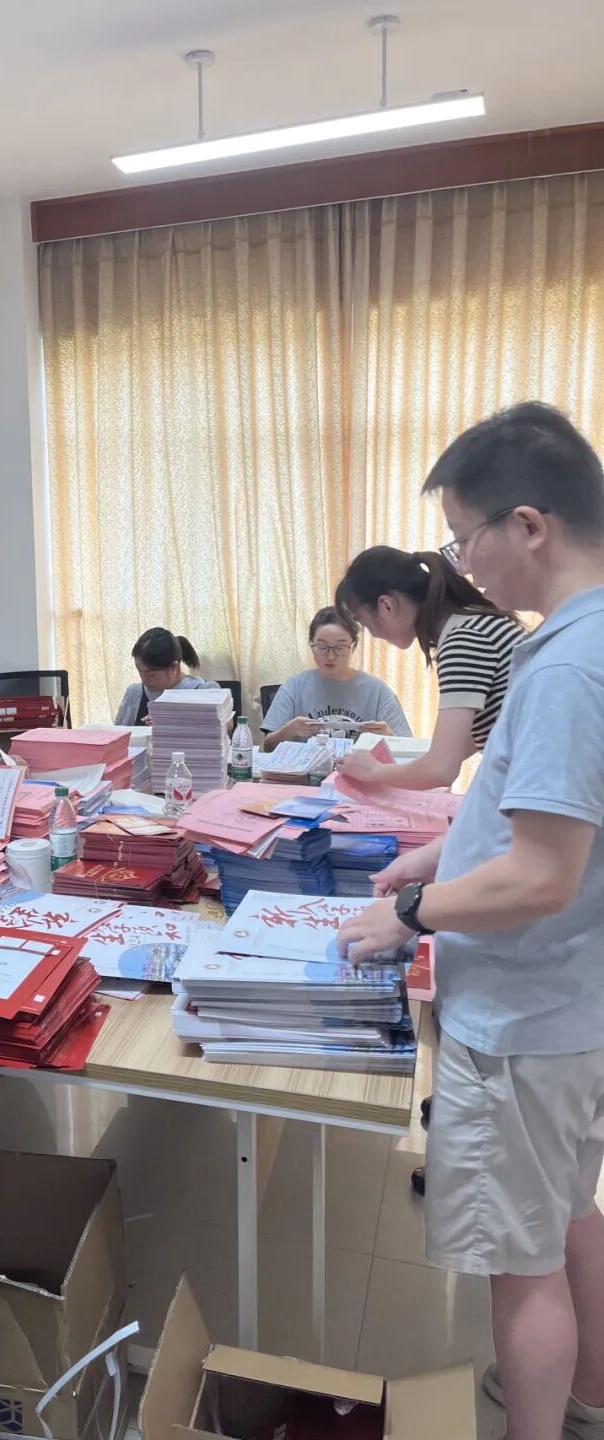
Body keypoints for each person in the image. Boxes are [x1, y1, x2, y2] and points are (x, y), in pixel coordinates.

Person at [337, 402, 604, 1440]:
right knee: (569, 1214)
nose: (459, 562)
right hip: (570, 1004)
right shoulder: (577, 639)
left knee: (520, 1262)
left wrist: (411, 910)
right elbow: (538, 816)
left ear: (527, 526)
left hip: (525, 1015)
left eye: (462, 537)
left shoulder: (570, 664)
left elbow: (539, 876)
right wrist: (441, 852)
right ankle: (588, 1399)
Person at [334, 546, 523, 791]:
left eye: (364, 623)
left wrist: (373, 771)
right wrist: (414, 767)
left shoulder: (464, 639)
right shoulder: (475, 622)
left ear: (387, 605)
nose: (374, 634)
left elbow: (441, 770)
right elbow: (471, 737)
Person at [260, 606, 411, 750]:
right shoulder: (294, 687)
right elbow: (267, 746)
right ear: (312, 646)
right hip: (305, 767)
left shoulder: (377, 691)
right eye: (322, 647)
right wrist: (289, 730)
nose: (331, 656)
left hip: (359, 767)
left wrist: (388, 737)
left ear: (353, 647)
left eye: (340, 648)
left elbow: (408, 748)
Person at [114, 628, 221, 726]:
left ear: (174, 667)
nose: (144, 679)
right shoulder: (135, 693)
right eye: (140, 672)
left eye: (151, 674)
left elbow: (226, 725)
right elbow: (118, 733)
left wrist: (173, 719)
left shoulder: (204, 690)